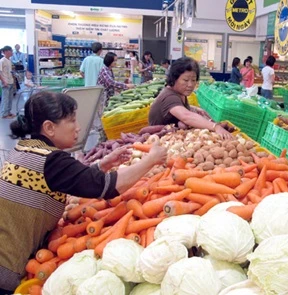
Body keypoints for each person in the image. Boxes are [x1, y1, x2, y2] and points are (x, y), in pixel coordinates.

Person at [0, 91, 167, 293]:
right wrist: (151, 160)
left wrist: (102, 165)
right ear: (49, 128)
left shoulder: (25, 149)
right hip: (7, 267)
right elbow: (107, 188)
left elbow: (74, 179)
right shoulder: (51, 160)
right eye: (71, 121)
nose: (78, 127)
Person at [149, 57, 232, 139]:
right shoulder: (169, 97)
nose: (190, 85)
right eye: (185, 80)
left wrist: (193, 108)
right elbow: (186, 116)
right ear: (174, 78)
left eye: (193, 80)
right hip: (159, 141)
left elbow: (178, 109)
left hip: (174, 137)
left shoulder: (179, 92)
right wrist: (215, 127)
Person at [0, 46, 15, 119]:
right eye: (11, 51)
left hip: (10, 81)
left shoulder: (9, 60)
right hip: (5, 82)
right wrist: (3, 81)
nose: (12, 52)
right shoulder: (2, 61)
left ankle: (8, 112)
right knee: (5, 99)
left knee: (10, 98)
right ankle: (4, 114)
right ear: (6, 52)